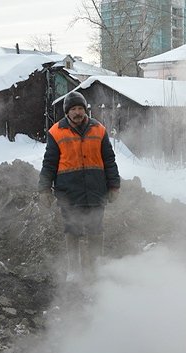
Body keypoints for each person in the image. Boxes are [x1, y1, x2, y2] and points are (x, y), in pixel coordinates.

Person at [38, 91, 121, 281]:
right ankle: (74, 270)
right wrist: (44, 189)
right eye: (73, 109)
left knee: (95, 229)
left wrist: (114, 185)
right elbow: (49, 163)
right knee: (72, 229)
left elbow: (109, 159)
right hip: (69, 192)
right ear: (67, 112)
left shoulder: (99, 129)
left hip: (95, 189)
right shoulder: (56, 132)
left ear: (85, 110)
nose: (78, 112)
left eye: (80, 108)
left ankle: (95, 268)